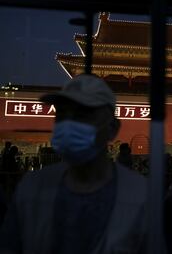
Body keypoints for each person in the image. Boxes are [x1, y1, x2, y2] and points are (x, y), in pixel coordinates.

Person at [0, 74, 148, 253]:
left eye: (82, 115)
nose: (69, 125)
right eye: (61, 115)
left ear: (112, 128)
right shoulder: (31, 188)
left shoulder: (141, 196)